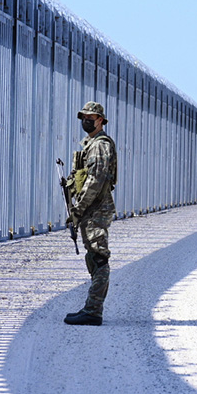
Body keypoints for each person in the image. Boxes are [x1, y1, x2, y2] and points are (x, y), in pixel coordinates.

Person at [64, 101, 118, 326]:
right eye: (84, 116)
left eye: (91, 117)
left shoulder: (99, 146)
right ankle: (92, 308)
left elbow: (96, 180)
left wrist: (78, 209)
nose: (86, 119)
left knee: (98, 257)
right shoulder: (91, 144)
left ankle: (93, 310)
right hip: (92, 208)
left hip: (95, 208)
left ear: (100, 121)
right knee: (93, 257)